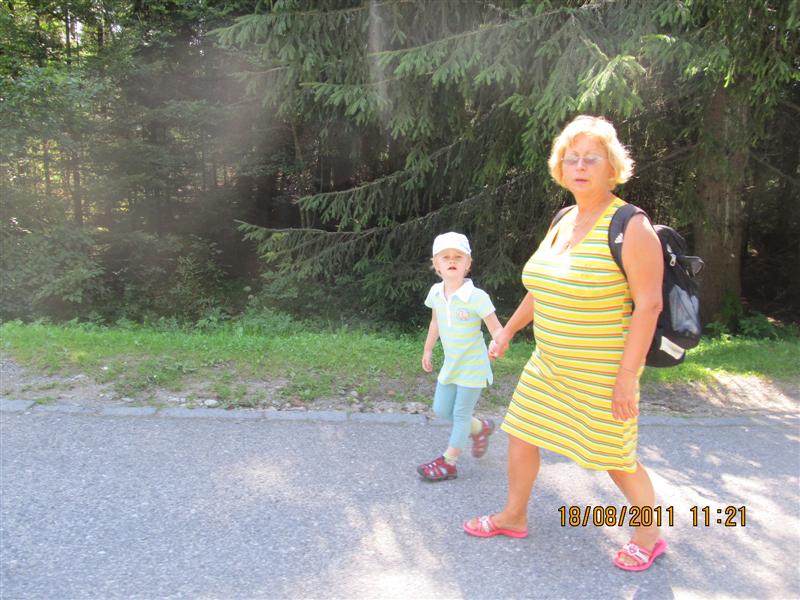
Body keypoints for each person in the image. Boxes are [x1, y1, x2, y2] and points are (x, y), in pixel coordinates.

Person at [463, 115, 668, 572]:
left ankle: (648, 536)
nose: (580, 167)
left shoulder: (631, 225)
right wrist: (508, 330)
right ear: (560, 167)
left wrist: (627, 377)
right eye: (571, 159)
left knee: (615, 458)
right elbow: (543, 287)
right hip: (549, 363)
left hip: (603, 369)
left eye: (591, 158)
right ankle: (513, 516)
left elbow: (649, 305)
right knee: (522, 434)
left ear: (611, 166)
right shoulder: (564, 219)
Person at [418, 232, 503, 482]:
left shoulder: (477, 297)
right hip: (451, 364)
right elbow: (435, 323)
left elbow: (496, 329)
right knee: (442, 409)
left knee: (461, 414)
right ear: (436, 264)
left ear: (468, 263)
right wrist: (428, 349)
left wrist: (497, 342)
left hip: (473, 365)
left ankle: (449, 463)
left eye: (458, 256)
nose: (452, 260)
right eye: (445, 257)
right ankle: (481, 428)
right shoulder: (436, 293)